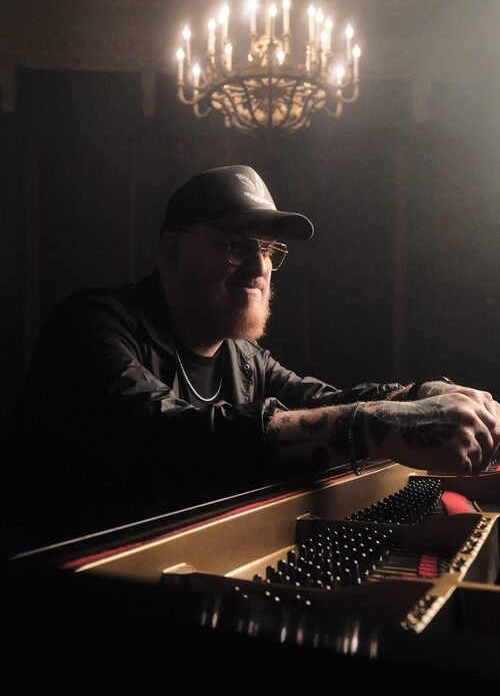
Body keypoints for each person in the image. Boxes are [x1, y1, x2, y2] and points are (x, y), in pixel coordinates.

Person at [7, 165, 500, 549]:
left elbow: (321, 401)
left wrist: (422, 395)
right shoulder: (91, 325)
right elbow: (162, 437)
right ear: (173, 252)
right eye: (234, 245)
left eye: (267, 249)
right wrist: (375, 424)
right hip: (59, 600)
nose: (259, 266)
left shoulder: (243, 356)